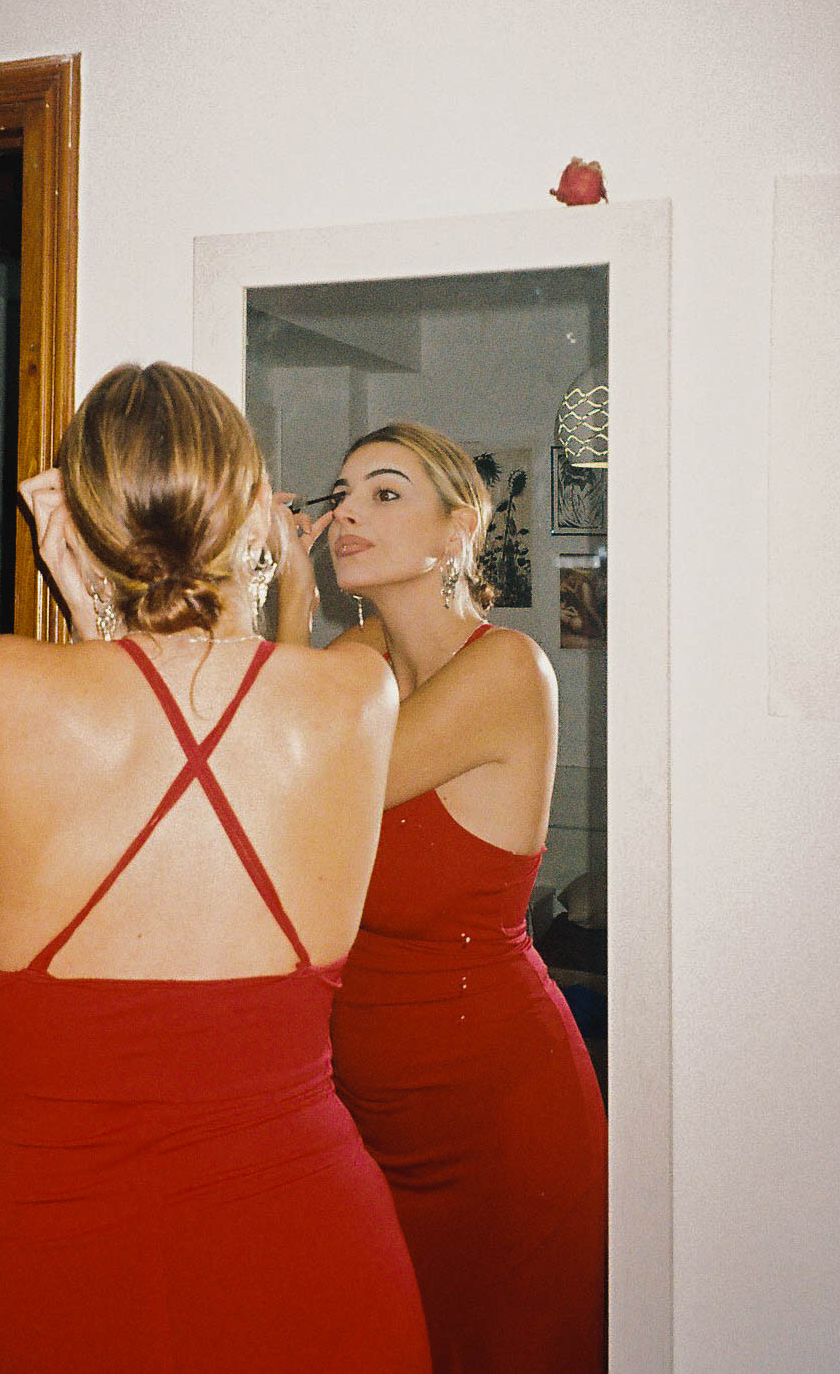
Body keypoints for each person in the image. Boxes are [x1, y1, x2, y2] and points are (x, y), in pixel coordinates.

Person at [0, 364, 431, 1374]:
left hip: (61, 1273)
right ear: (249, 509)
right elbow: (238, 695)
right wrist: (280, 577)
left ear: (85, 522)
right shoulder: (360, 692)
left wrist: (89, 612)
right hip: (312, 1256)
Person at [277, 420, 607, 1374]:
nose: (347, 512)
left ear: (459, 530)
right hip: (374, 1122)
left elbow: (312, 784)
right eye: (342, 492)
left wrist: (292, 606)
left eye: (385, 492)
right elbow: (259, 751)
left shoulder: (508, 669)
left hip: (501, 1121)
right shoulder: (365, 662)